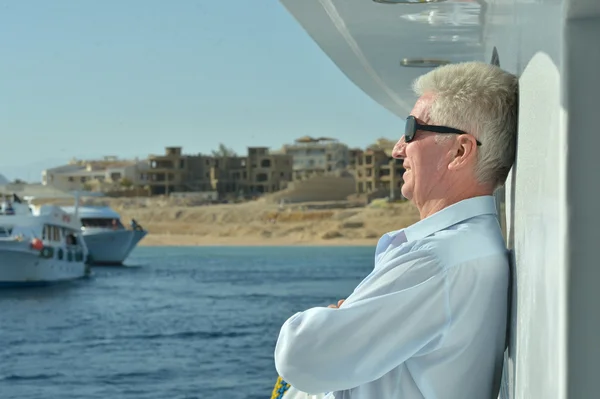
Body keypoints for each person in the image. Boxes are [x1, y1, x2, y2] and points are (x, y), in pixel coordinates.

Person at [273, 61, 518, 399]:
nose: (397, 148)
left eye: (412, 130)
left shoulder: (436, 262)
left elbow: (300, 355)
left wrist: (334, 318)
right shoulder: (462, 249)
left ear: (459, 151)